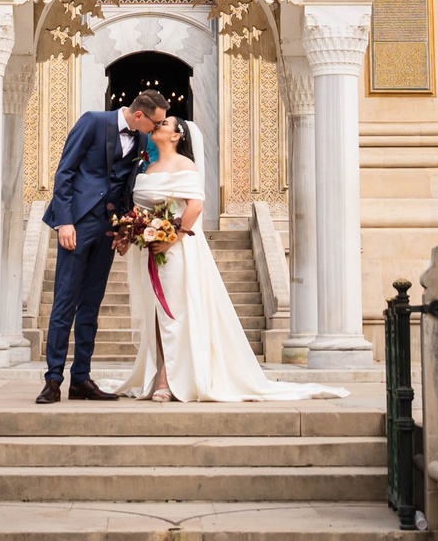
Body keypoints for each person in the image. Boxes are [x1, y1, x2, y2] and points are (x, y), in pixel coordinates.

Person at [115, 111, 347, 404]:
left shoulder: (184, 164)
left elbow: (195, 207)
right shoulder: (148, 168)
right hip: (151, 249)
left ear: (176, 135)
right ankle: (161, 370)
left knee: (173, 312)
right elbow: (142, 208)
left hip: (176, 250)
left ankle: (169, 380)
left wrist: (170, 238)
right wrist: (137, 230)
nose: (157, 126)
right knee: (158, 314)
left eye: (163, 124)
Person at [36, 89, 162, 404]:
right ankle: (53, 380)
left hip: (107, 230)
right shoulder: (92, 122)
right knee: (65, 301)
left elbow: (125, 188)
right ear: (138, 115)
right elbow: (65, 171)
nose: (156, 129)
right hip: (77, 223)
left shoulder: (142, 141)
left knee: (91, 304)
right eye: (154, 123)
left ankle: (81, 379)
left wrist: (123, 231)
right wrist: (64, 222)